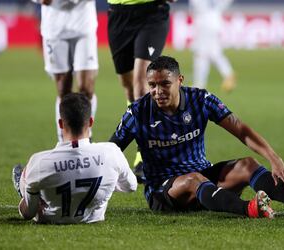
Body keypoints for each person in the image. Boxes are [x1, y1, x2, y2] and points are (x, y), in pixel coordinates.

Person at [109, 55, 284, 218]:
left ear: (180, 80)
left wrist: (274, 158)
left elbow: (240, 129)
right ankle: (249, 208)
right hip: (164, 191)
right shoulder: (137, 112)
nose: (158, 91)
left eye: (164, 84)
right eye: (152, 85)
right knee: (193, 179)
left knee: (248, 165)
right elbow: (111, 151)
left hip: (203, 178)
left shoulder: (200, 100)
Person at [12, 93, 137, 224]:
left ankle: (24, 186)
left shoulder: (38, 162)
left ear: (60, 123)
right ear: (90, 122)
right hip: (93, 218)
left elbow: (28, 213)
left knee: (28, 178)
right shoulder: (111, 152)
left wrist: (27, 194)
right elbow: (131, 186)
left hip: (51, 219)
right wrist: (105, 181)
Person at [107, 0, 175, 173]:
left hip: (151, 12)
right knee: (128, 87)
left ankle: (144, 153)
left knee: (141, 83)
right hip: (118, 14)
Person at [32, 0, 99, 141]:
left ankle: (87, 137)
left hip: (83, 24)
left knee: (86, 88)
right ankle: (63, 138)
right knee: (63, 90)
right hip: (55, 28)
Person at [190, 0, 236, 91]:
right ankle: (228, 74)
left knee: (201, 54)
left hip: (204, 23)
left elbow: (195, 7)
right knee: (212, 51)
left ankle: (199, 84)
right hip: (215, 21)